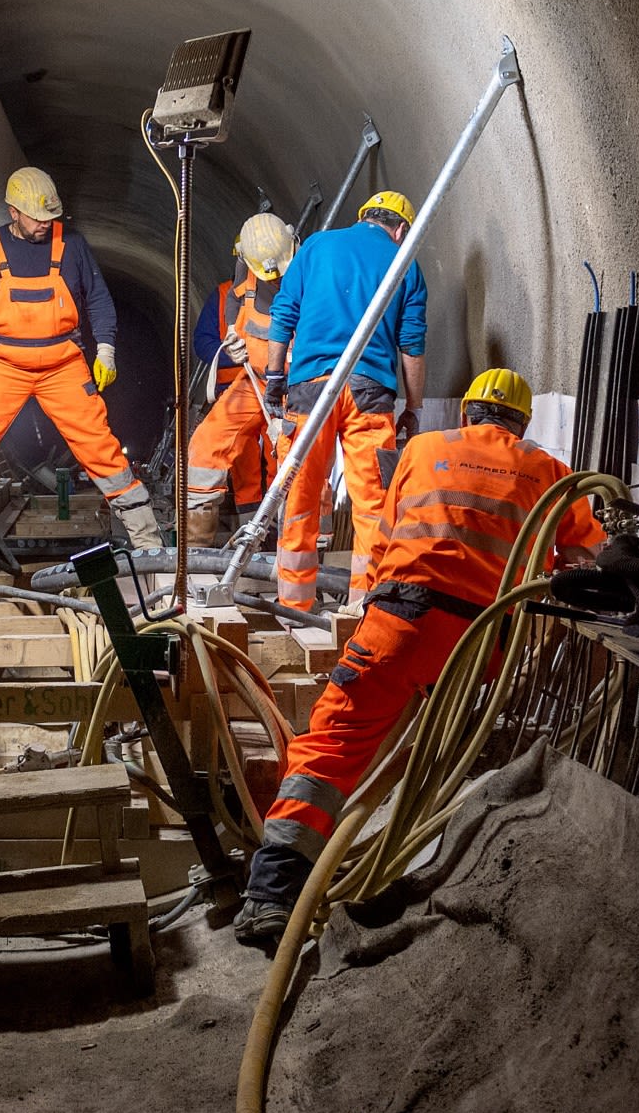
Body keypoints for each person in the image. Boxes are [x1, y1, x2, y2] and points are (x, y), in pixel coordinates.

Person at [234, 369, 605, 944]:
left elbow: (384, 543)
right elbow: (584, 565)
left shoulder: (423, 449)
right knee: (442, 743)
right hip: (482, 646)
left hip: (401, 624)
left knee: (332, 745)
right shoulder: (553, 473)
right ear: (522, 425)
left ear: (466, 413)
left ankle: (272, 896)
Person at [0, 166, 162, 565]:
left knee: (99, 446)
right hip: (4, 364)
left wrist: (106, 349)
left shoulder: (71, 245)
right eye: (37, 217)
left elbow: (98, 299)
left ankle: (147, 542)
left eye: (50, 216)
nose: (45, 223)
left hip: (63, 363)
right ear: (13, 212)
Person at [263, 191, 427, 612]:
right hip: (370, 392)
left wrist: (275, 379)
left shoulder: (317, 246)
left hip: (310, 389)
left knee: (299, 498)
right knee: (373, 507)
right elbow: (411, 345)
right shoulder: (405, 262)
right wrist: (413, 408)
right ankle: (364, 610)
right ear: (401, 230)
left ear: (364, 217)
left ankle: (293, 609)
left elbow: (284, 315)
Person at [185, 212, 295, 546]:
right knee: (206, 446)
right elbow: (235, 298)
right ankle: (196, 550)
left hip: (295, 387)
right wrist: (233, 334)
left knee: (289, 461)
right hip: (253, 382)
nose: (273, 279)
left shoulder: (309, 271)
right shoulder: (245, 269)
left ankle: (290, 546)